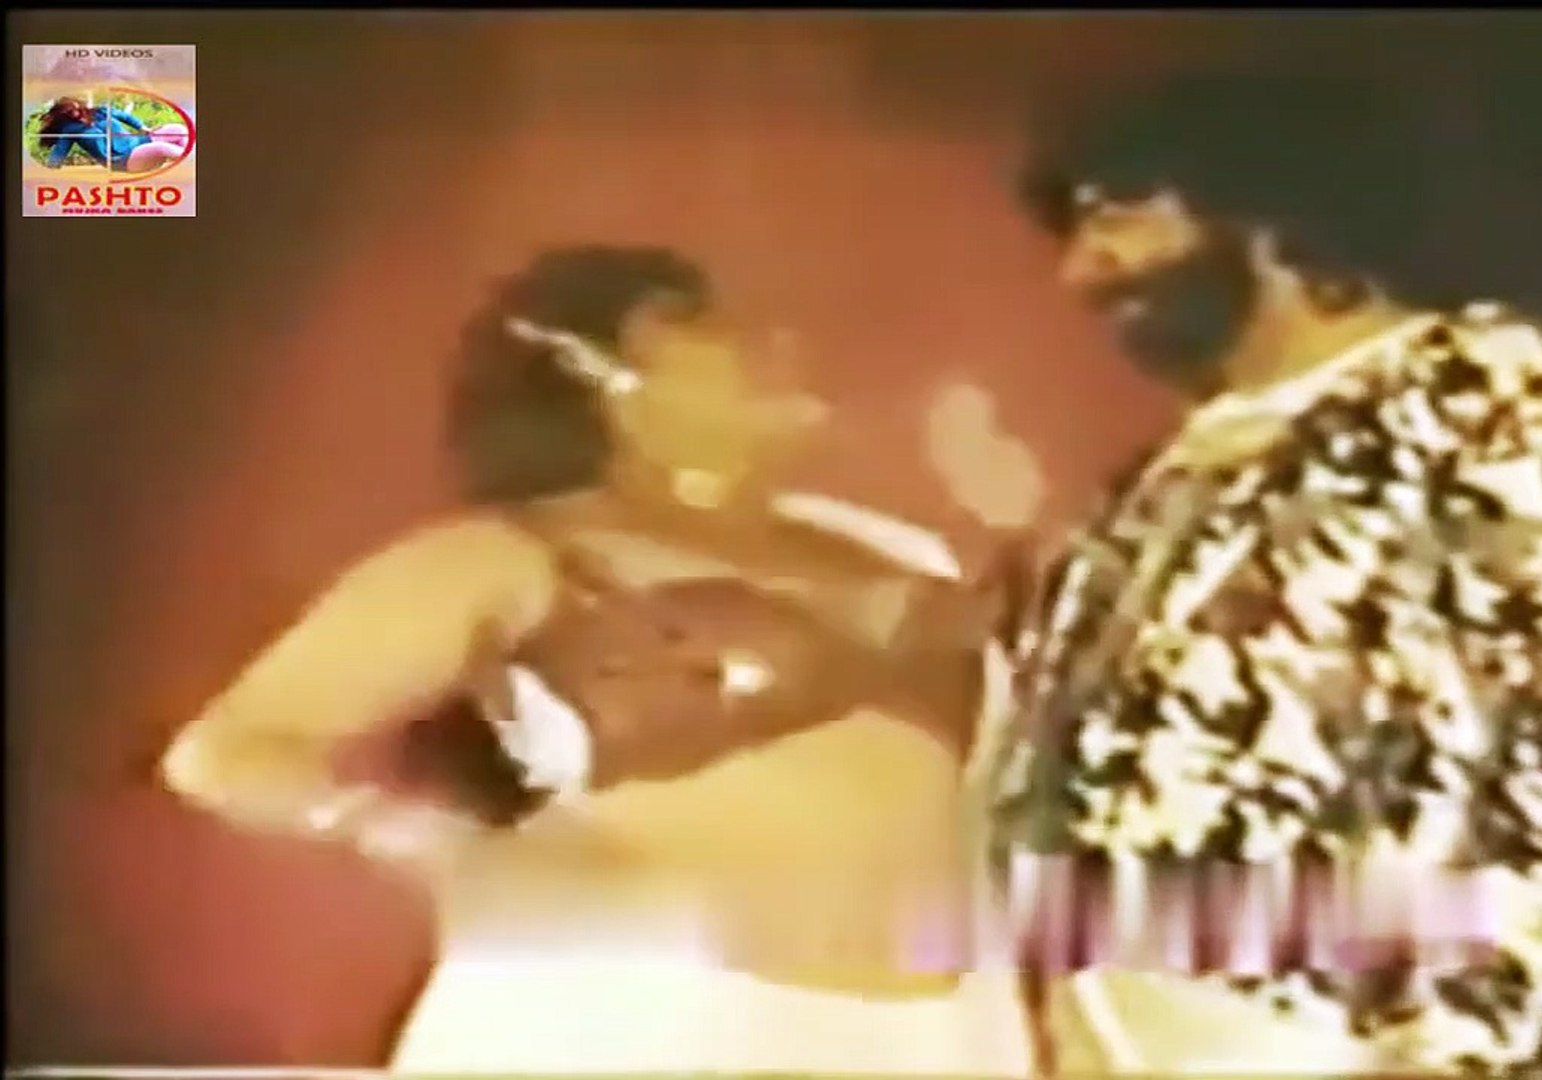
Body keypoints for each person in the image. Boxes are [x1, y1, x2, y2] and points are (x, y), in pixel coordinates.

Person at [978, 73, 1542, 1075]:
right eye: (1071, 225)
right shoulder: (1154, 486)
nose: (1085, 269)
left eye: (1118, 211)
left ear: (1256, 194)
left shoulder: (1519, 403)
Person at [158, 245, 1031, 1075]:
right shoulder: (506, 555)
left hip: (932, 1041)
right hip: (638, 1026)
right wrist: (413, 835)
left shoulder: (903, 553)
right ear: (604, 383)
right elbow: (225, 751)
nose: (773, 344)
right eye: (704, 329)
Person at [36, 95, 188, 173]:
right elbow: (59, 152)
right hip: (124, 160)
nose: (75, 114)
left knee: (178, 130)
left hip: (139, 142)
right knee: (161, 147)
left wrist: (144, 128)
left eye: (75, 109)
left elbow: (125, 117)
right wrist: (49, 172)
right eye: (69, 113)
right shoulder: (70, 130)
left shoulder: (100, 111)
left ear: (78, 104)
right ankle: (192, 165)